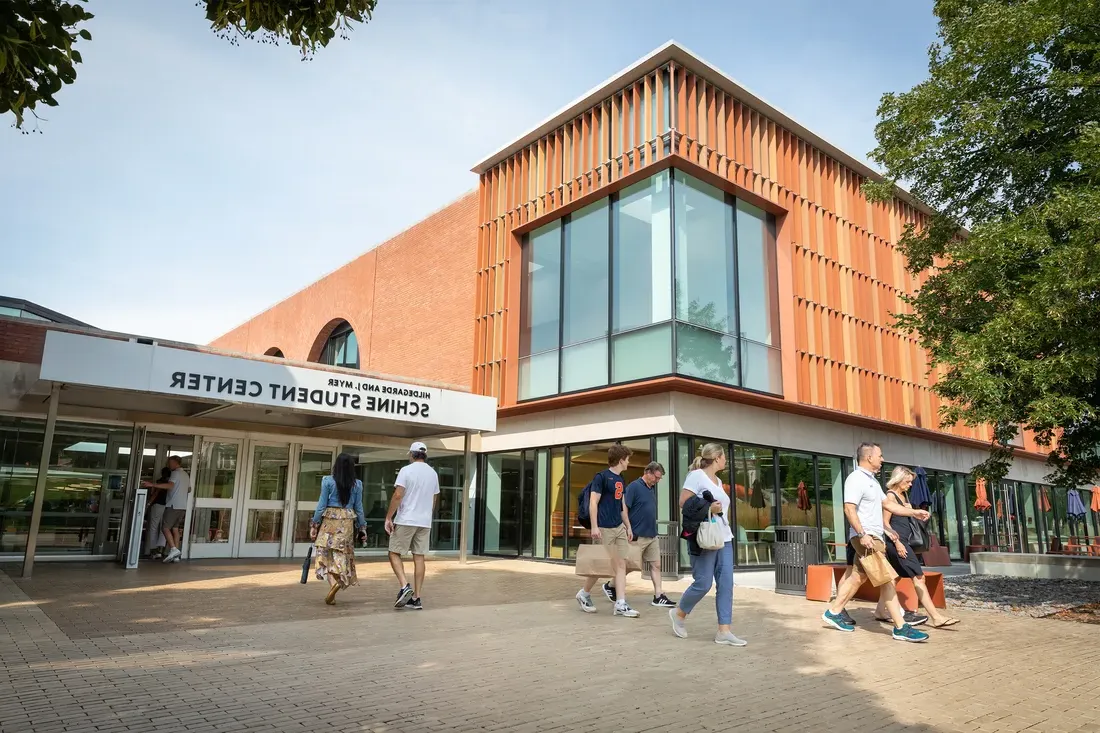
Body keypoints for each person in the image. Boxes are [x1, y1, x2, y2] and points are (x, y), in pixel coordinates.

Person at [820, 442, 930, 642]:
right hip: (866, 538)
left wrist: (914, 512)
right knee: (887, 579)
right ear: (869, 457)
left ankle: (834, 612)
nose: (883, 459)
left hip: (874, 537)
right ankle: (900, 627)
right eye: (880, 455)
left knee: (857, 577)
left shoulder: (872, 481)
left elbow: (888, 504)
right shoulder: (855, 479)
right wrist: (862, 534)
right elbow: (849, 509)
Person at [669, 443, 746, 647]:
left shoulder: (718, 481)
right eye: (724, 457)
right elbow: (683, 502)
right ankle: (679, 613)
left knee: (726, 584)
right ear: (718, 457)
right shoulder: (696, 476)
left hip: (724, 538)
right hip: (704, 538)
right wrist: (708, 507)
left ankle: (724, 631)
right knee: (703, 583)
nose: (726, 461)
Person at [874, 466, 960, 628]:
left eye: (911, 482)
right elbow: (884, 523)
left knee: (894, 578)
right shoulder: (890, 497)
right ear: (898, 480)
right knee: (919, 577)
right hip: (898, 544)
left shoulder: (903, 495)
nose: (910, 485)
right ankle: (936, 617)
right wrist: (898, 542)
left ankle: (880, 611)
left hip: (903, 542)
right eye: (907, 481)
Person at [575, 444, 639, 618]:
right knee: (601, 565)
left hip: (618, 527)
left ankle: (621, 603)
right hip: (604, 527)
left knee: (621, 564)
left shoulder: (621, 479)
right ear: (621, 460)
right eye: (627, 459)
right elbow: (593, 502)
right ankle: (584, 593)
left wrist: (628, 526)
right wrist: (594, 526)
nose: (628, 462)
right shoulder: (601, 477)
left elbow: (621, 506)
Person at [603, 461, 675, 608]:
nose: (657, 480)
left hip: (651, 534)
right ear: (648, 472)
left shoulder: (650, 489)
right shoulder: (634, 487)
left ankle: (658, 596)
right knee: (628, 565)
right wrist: (627, 528)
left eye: (659, 478)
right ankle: (610, 585)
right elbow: (624, 508)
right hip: (637, 535)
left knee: (656, 564)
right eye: (656, 477)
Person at [385, 441, 440, 611]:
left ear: (412, 454)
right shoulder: (433, 473)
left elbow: (398, 494)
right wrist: (426, 515)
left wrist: (388, 517)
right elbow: (434, 498)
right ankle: (416, 598)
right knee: (419, 557)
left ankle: (404, 585)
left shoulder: (406, 470)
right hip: (424, 521)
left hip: (406, 519)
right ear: (425, 455)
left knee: (394, 552)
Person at [309, 452, 367, 605]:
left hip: (330, 520)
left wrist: (314, 524)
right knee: (341, 554)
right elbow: (359, 508)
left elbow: (321, 505)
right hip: (346, 522)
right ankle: (336, 585)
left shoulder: (327, 481)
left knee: (324, 553)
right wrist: (362, 527)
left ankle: (333, 584)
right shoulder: (357, 484)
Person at [141, 455, 190, 563]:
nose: (168, 464)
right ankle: (176, 555)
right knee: (175, 529)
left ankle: (173, 549)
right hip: (182, 506)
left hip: (173, 505)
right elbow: (189, 489)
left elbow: (170, 485)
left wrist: (153, 484)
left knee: (165, 528)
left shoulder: (175, 473)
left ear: (174, 462)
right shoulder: (186, 475)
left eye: (169, 462)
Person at [143, 466, 170, 560]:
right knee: (164, 528)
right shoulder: (172, 483)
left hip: (158, 505)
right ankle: (160, 549)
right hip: (168, 506)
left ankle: (152, 550)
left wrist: (149, 503)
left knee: (153, 527)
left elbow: (155, 494)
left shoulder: (160, 482)